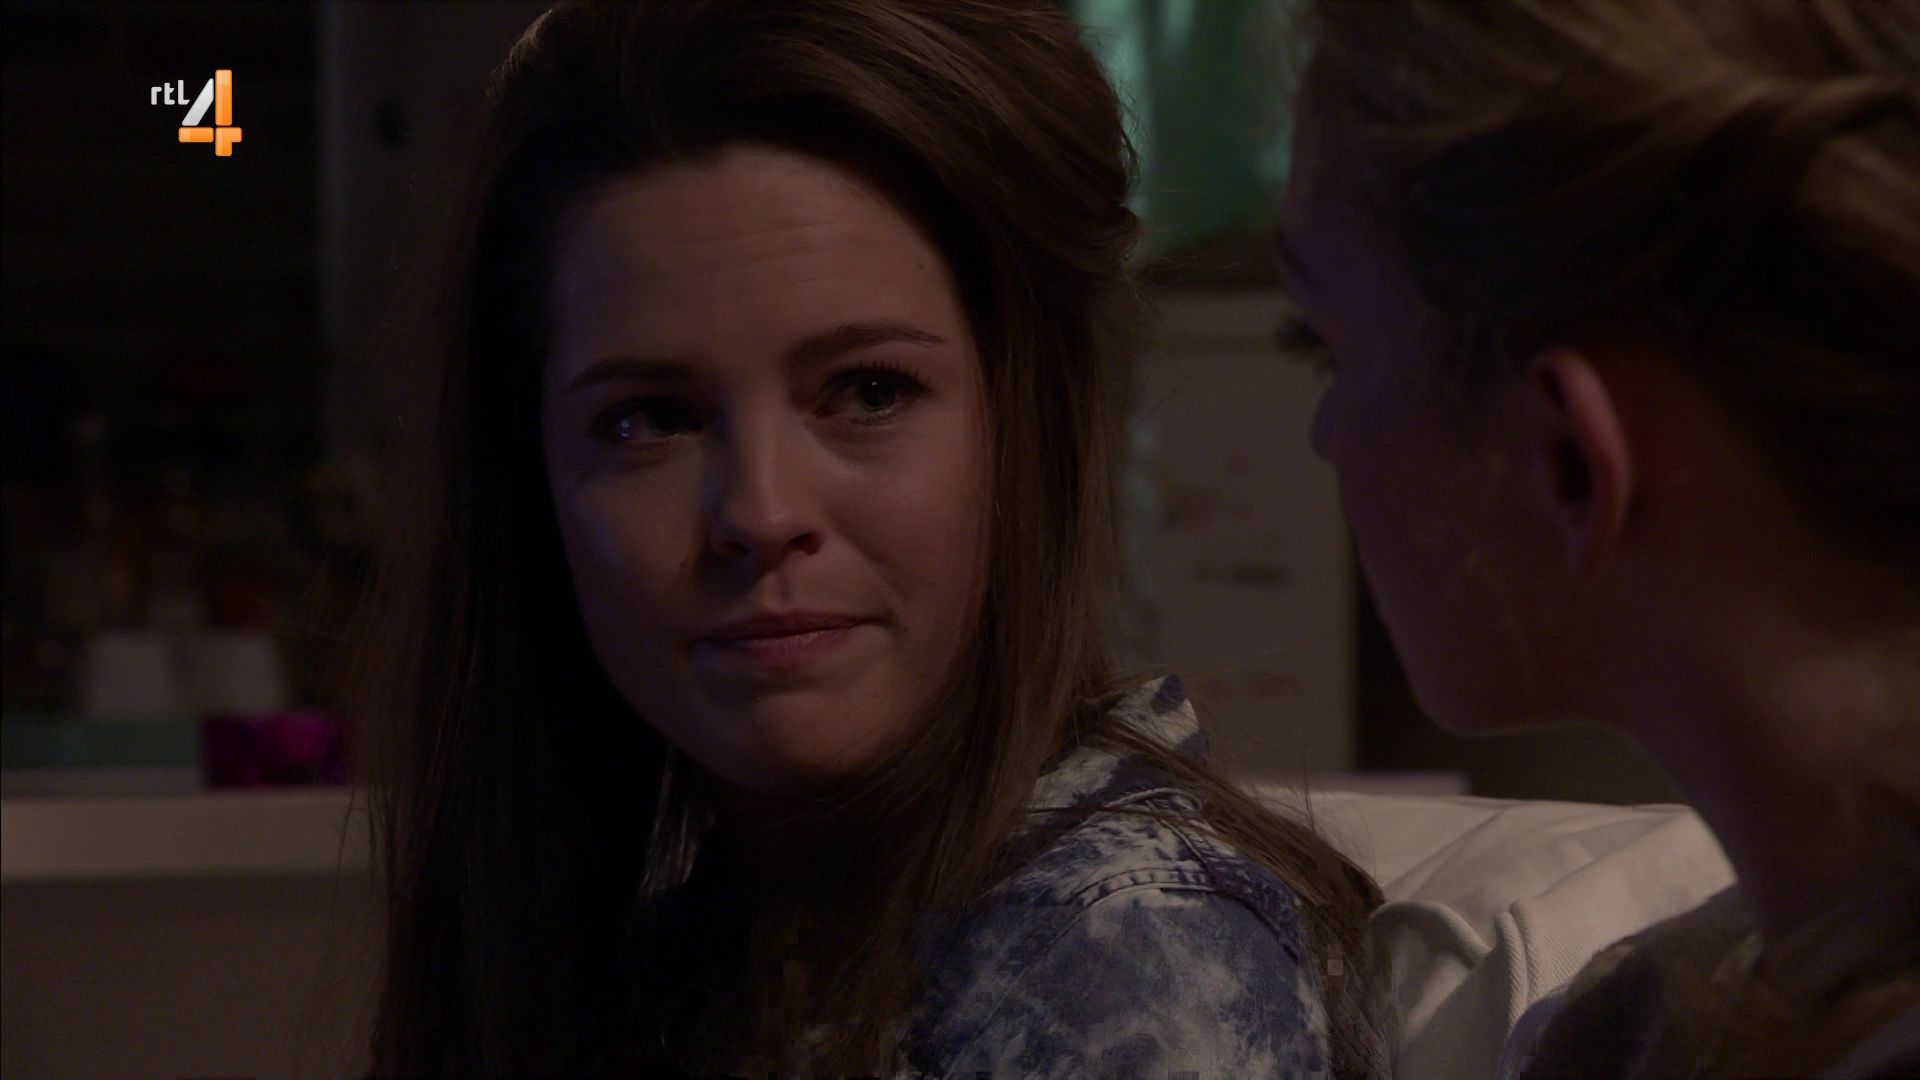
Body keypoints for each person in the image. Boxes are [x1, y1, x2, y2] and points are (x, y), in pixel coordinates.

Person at [350, 1, 1389, 1076]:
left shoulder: (1118, 954)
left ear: (1027, 422)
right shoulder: (682, 951)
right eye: (650, 419)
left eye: (869, 391)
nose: (760, 514)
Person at [1276, 0, 1920, 1076]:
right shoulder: (1672, 1007)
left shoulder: (1642, 1037)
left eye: (1324, 348)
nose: (1323, 437)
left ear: (1567, 457)